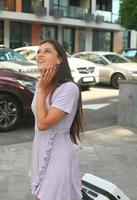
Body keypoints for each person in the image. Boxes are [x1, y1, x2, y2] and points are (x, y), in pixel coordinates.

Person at [31, 40, 84, 200]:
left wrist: (41, 90)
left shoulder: (69, 88)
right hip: (40, 150)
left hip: (59, 154)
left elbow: (43, 124)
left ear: (59, 59)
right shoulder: (42, 84)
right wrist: (42, 88)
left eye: (47, 51)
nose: (40, 54)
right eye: (39, 51)